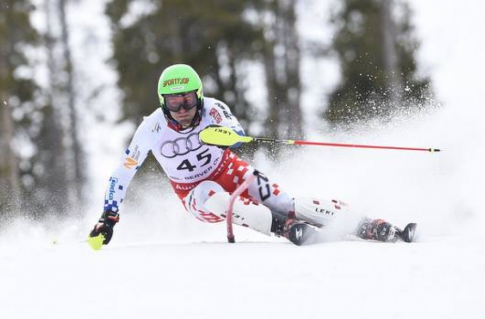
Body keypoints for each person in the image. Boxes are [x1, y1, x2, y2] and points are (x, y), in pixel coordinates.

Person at [89, 64, 415, 247]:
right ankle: (284, 229)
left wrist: (225, 138)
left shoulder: (213, 109)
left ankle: (368, 225)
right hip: (193, 192)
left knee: (289, 203)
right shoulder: (151, 128)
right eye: (174, 103)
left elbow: (235, 130)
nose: (183, 109)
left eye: (188, 100)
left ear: (198, 96)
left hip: (229, 169)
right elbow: (122, 173)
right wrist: (109, 215)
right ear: (163, 103)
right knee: (215, 198)